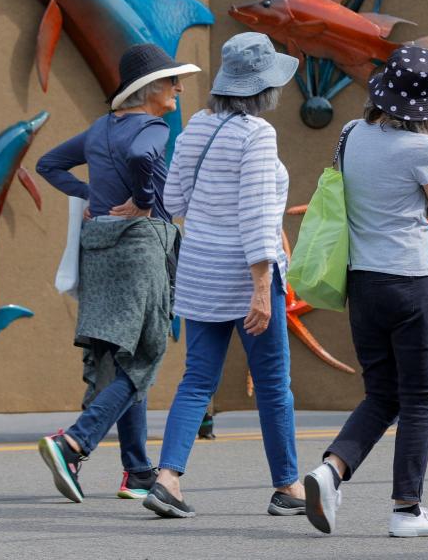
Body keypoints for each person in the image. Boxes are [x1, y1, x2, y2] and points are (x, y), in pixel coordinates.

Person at [143, 32, 304, 518]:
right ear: (264, 87)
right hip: (245, 272)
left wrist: (211, 216)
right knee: (274, 382)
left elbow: (173, 202)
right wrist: (261, 285)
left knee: (197, 380)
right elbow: (257, 214)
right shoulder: (257, 134)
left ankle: (167, 479)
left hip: (199, 270)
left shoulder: (197, 123)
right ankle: (288, 488)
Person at [35, 43, 200, 503]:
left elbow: (48, 164)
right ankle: (73, 444)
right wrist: (146, 202)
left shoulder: (100, 128)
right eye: (172, 82)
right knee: (145, 353)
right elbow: (143, 159)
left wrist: (89, 196)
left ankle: (137, 471)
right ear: (148, 90)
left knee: (122, 354)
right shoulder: (152, 126)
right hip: (140, 247)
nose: (179, 89)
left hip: (100, 249)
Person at [303, 46, 428, 538]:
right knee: (418, 400)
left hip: (363, 285)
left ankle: (331, 470)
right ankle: (406, 510)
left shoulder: (350, 133)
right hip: (410, 285)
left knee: (381, 394)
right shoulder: (422, 150)